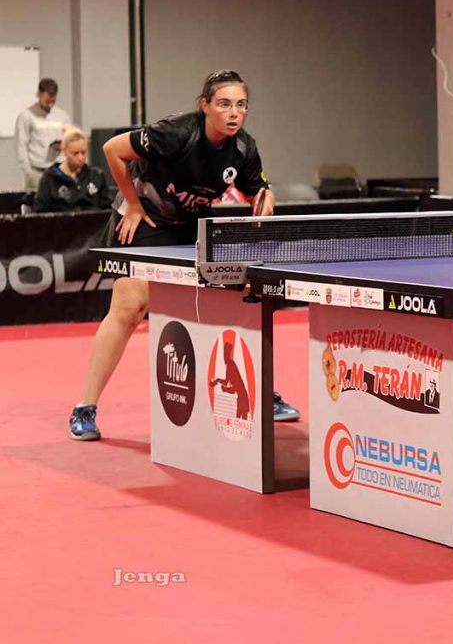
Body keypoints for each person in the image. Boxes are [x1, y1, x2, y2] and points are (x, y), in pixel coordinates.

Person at [68, 70, 300, 441]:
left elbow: (258, 188)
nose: (233, 113)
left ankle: (261, 391)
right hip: (146, 215)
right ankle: (85, 407)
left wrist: (264, 198)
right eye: (224, 104)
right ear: (205, 105)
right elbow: (113, 149)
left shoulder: (243, 148)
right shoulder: (176, 133)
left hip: (191, 222)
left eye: (241, 105)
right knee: (129, 306)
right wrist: (131, 202)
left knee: (234, 298)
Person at [31, 129, 112, 213]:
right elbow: (39, 211)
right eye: (75, 153)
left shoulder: (96, 176)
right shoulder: (49, 178)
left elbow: (107, 209)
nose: (80, 158)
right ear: (64, 151)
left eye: (83, 152)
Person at [14, 78, 73, 190]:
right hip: (37, 171)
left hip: (59, 168)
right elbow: (21, 145)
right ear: (38, 95)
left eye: (53, 101)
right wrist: (28, 172)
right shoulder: (26, 116)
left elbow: (70, 139)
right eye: (47, 101)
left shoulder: (62, 115)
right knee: (36, 200)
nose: (50, 105)